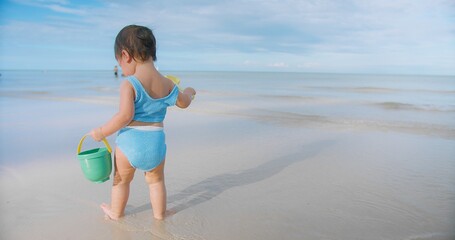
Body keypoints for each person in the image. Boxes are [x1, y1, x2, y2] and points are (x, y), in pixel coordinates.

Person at [90, 25, 196, 220]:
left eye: (120, 64)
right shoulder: (168, 84)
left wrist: (101, 132)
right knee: (156, 182)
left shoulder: (130, 84)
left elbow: (124, 117)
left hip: (130, 144)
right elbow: (184, 103)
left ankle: (116, 212)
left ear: (125, 55)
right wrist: (189, 91)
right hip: (155, 145)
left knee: (121, 181)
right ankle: (160, 214)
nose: (123, 69)